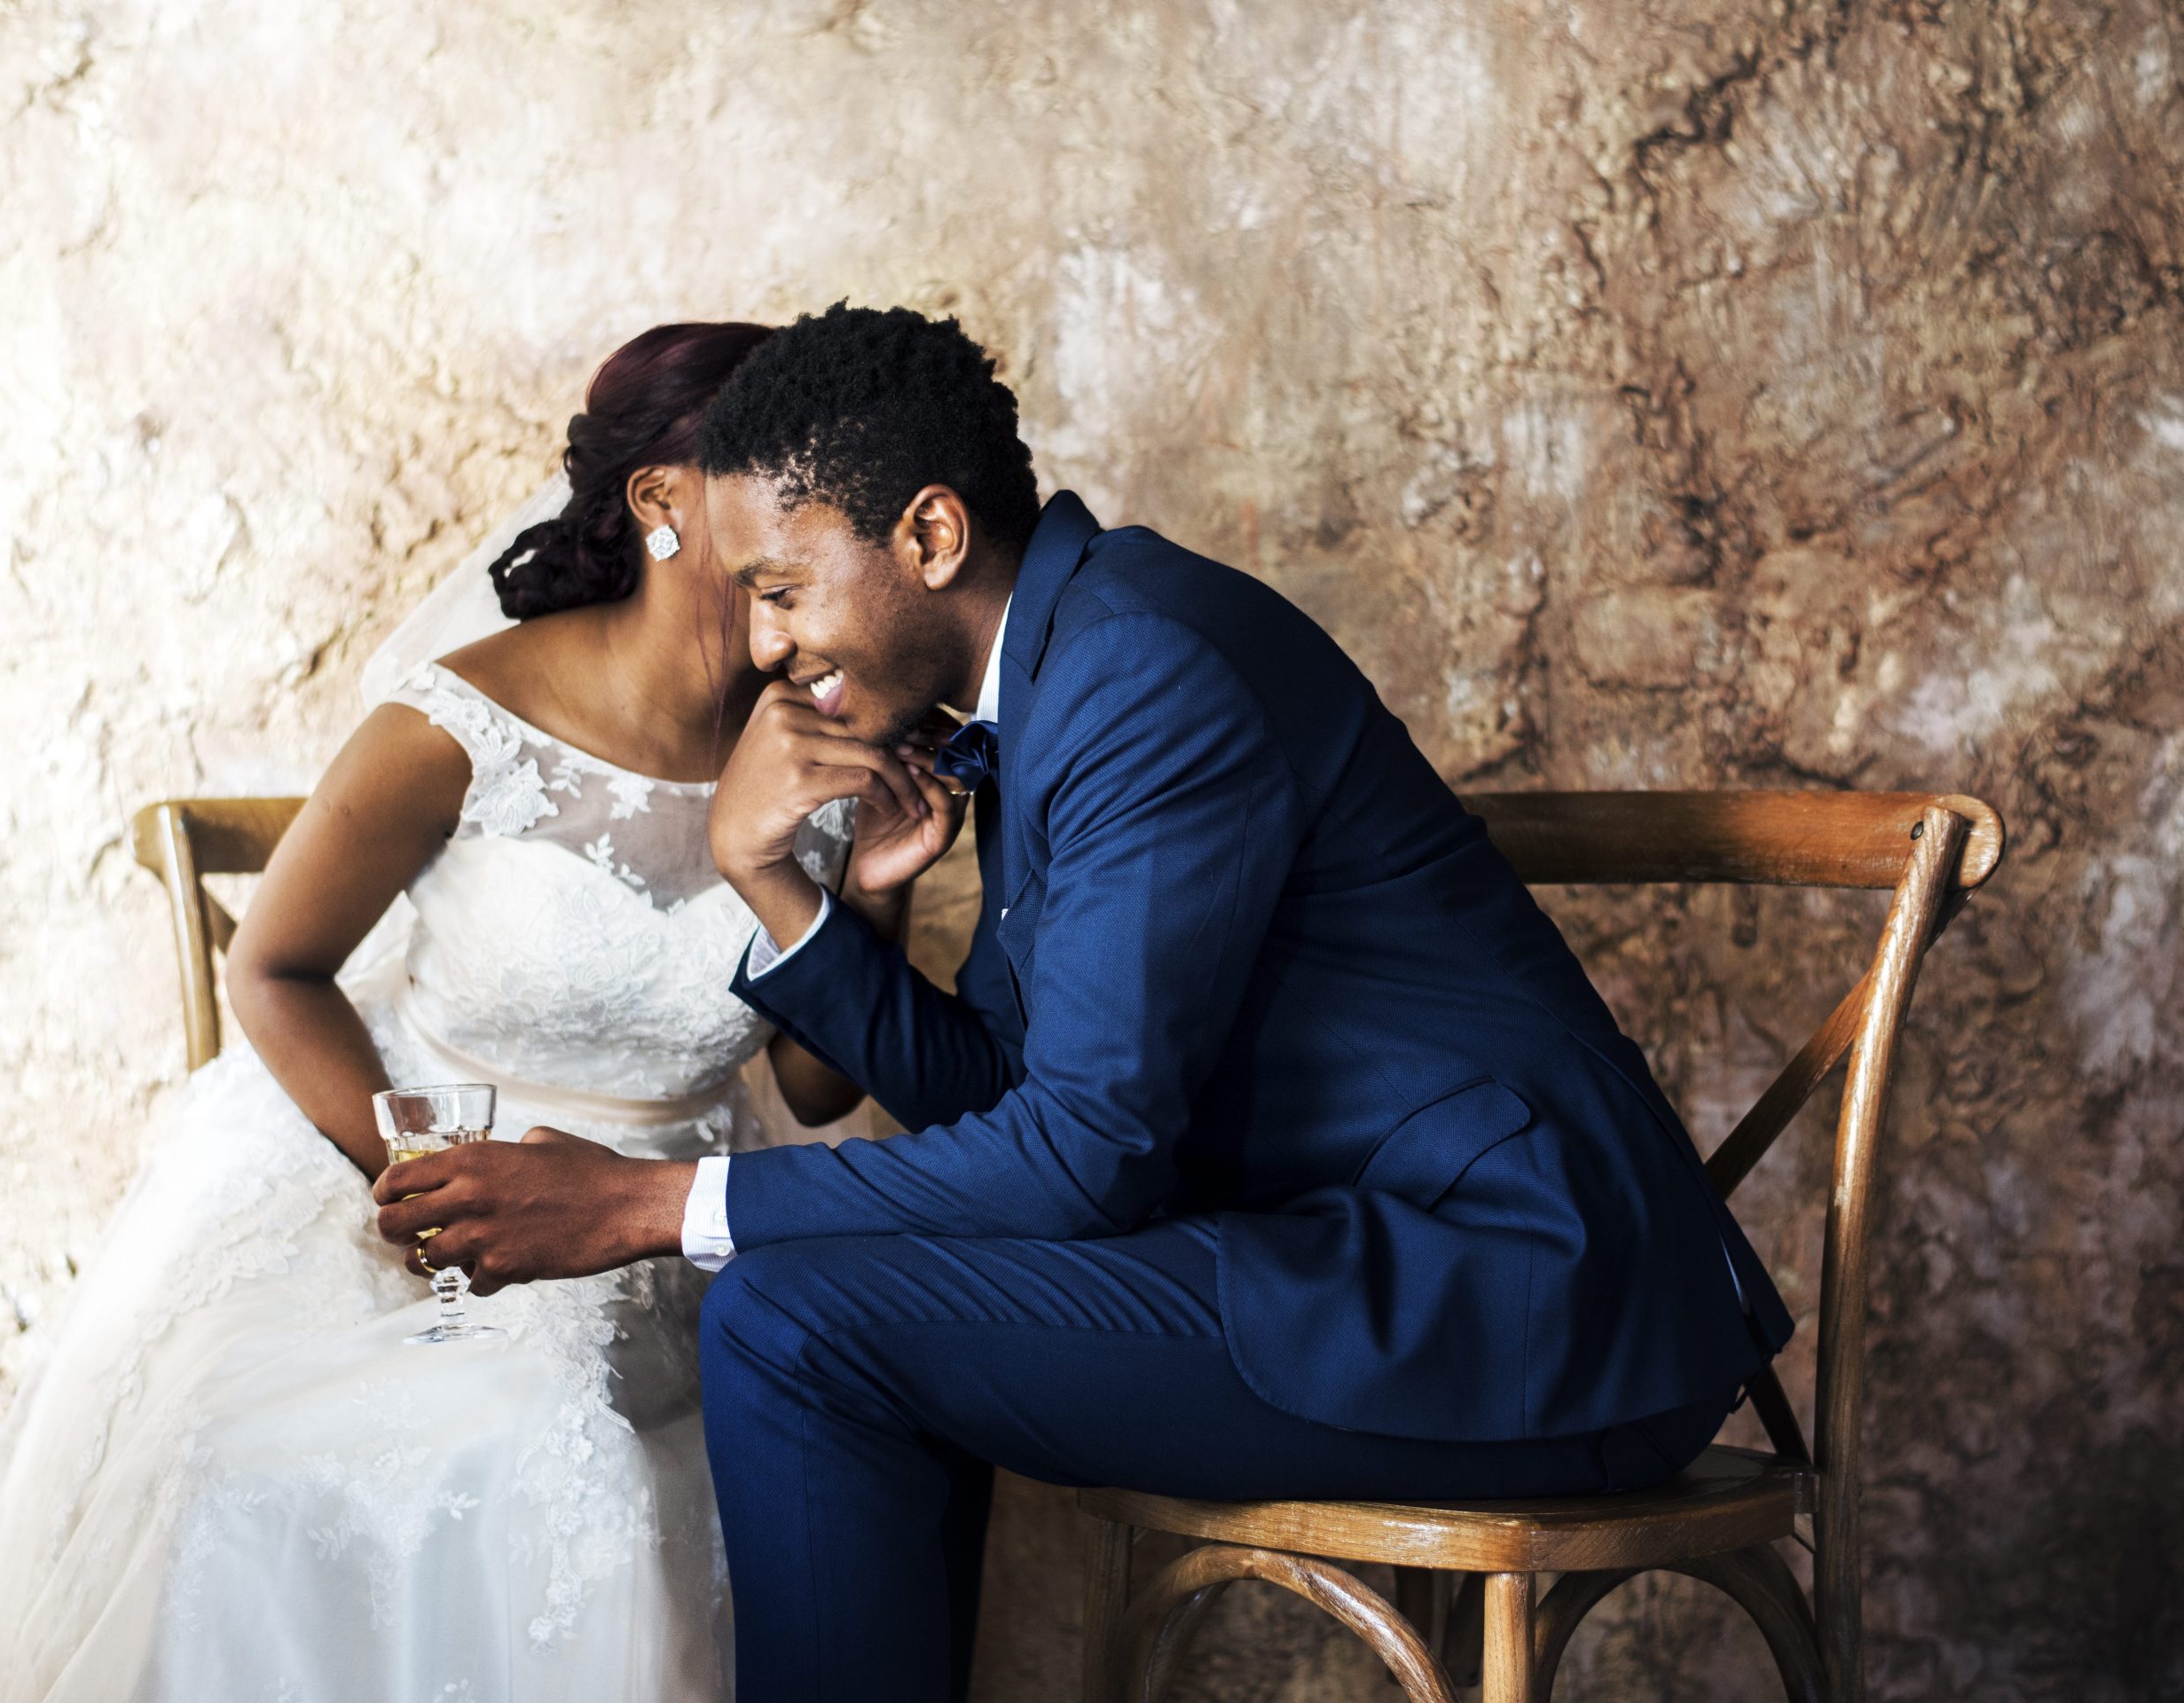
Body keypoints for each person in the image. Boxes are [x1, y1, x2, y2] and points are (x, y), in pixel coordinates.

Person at [376, 303, 1794, 1703]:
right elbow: (1024, 1105)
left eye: (781, 586)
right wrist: (785, 893)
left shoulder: (1142, 666)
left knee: (791, 1322)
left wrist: (648, 1204)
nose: (761, 643)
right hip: (1354, 1263)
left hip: (1521, 1302)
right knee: (806, 1307)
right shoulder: (1055, 669)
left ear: (929, 538)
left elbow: (1082, 1158)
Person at [0, 321, 939, 1703]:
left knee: (666, 1439)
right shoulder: (463, 722)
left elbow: (820, 1095)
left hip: (673, 1205)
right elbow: (272, 970)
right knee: (309, 1441)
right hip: (419, 1157)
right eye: (772, 472)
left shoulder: (828, 726)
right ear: (659, 503)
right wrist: (415, 1175)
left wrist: (867, 901)